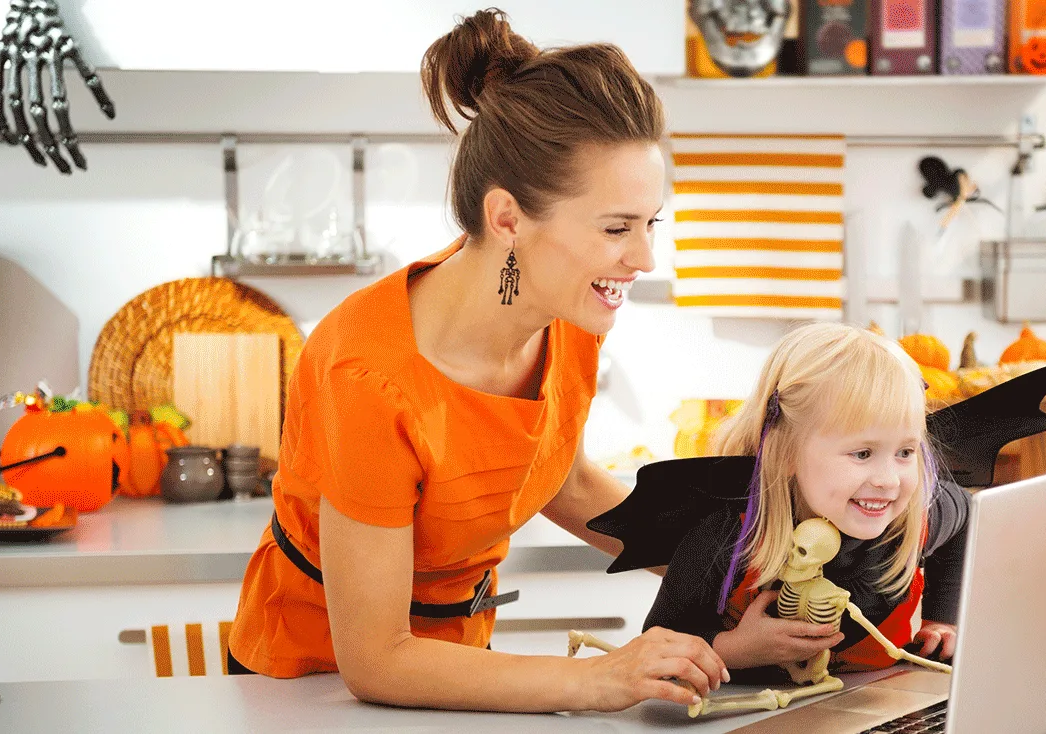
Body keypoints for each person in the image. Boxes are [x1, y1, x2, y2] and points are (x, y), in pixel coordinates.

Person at [227, 7, 728, 714]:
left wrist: (732, 581)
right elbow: (373, 660)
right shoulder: (368, 376)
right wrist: (597, 679)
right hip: (311, 689)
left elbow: (563, 478)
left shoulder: (570, 310)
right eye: (617, 228)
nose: (644, 258)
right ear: (507, 219)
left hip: (454, 665)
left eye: (651, 224)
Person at [642, 322, 969, 683]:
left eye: (905, 451)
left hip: (877, 706)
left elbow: (966, 518)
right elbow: (655, 649)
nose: (889, 480)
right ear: (784, 455)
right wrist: (733, 649)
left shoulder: (914, 517)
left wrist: (942, 617)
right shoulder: (726, 538)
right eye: (862, 453)